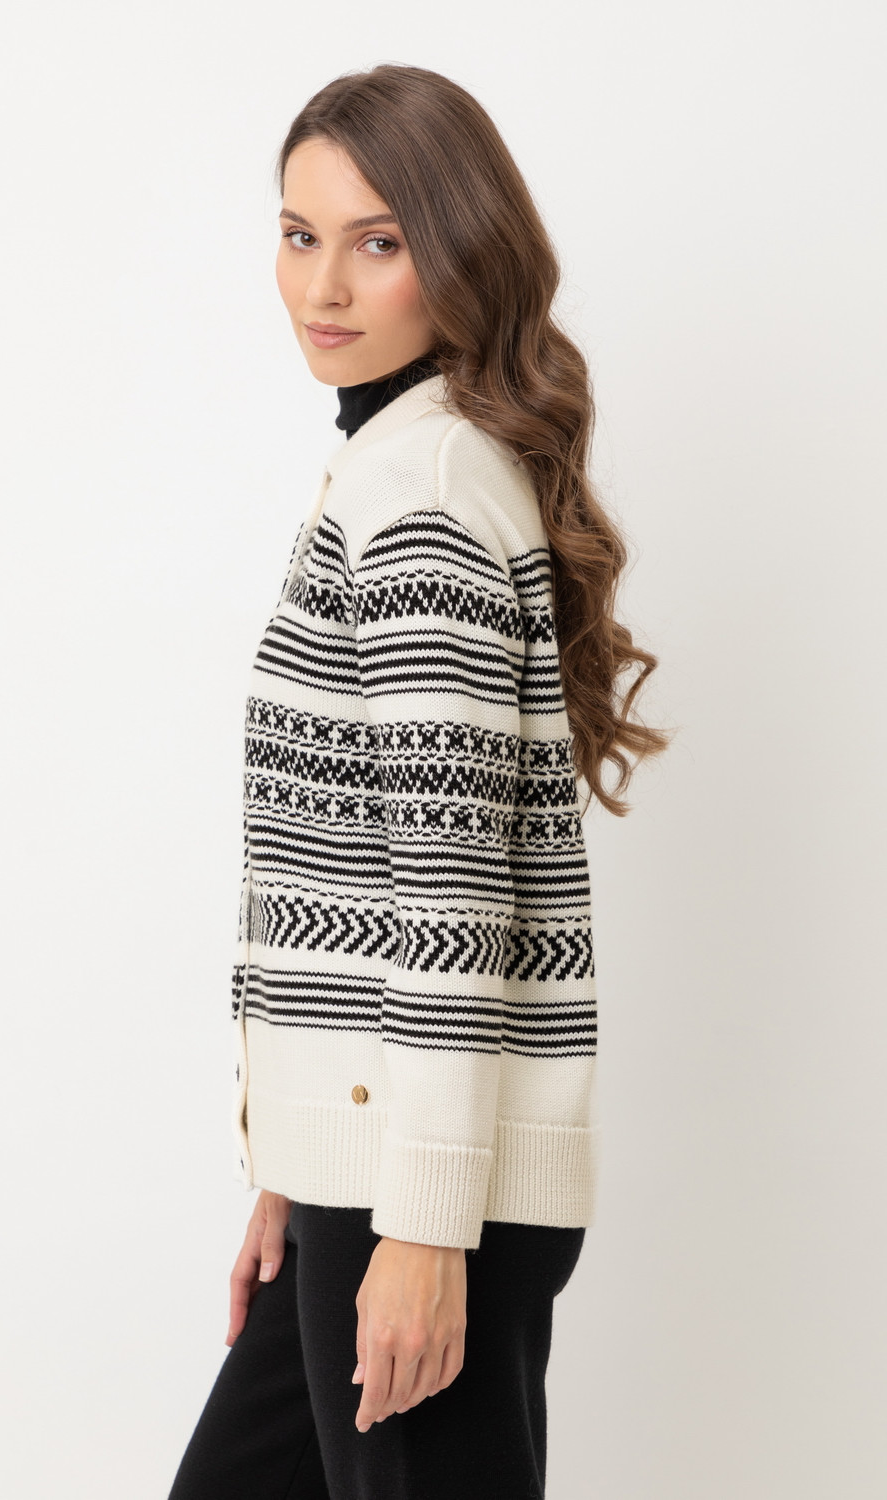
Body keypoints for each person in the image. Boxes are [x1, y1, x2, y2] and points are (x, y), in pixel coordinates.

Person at [167, 62, 669, 1500]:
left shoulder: (425, 493)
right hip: (367, 1171)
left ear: (458, 253)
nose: (322, 286)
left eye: (377, 241)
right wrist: (295, 1165)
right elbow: (361, 862)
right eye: (299, 234)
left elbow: (450, 895)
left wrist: (425, 1228)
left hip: (424, 1189)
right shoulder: (405, 464)